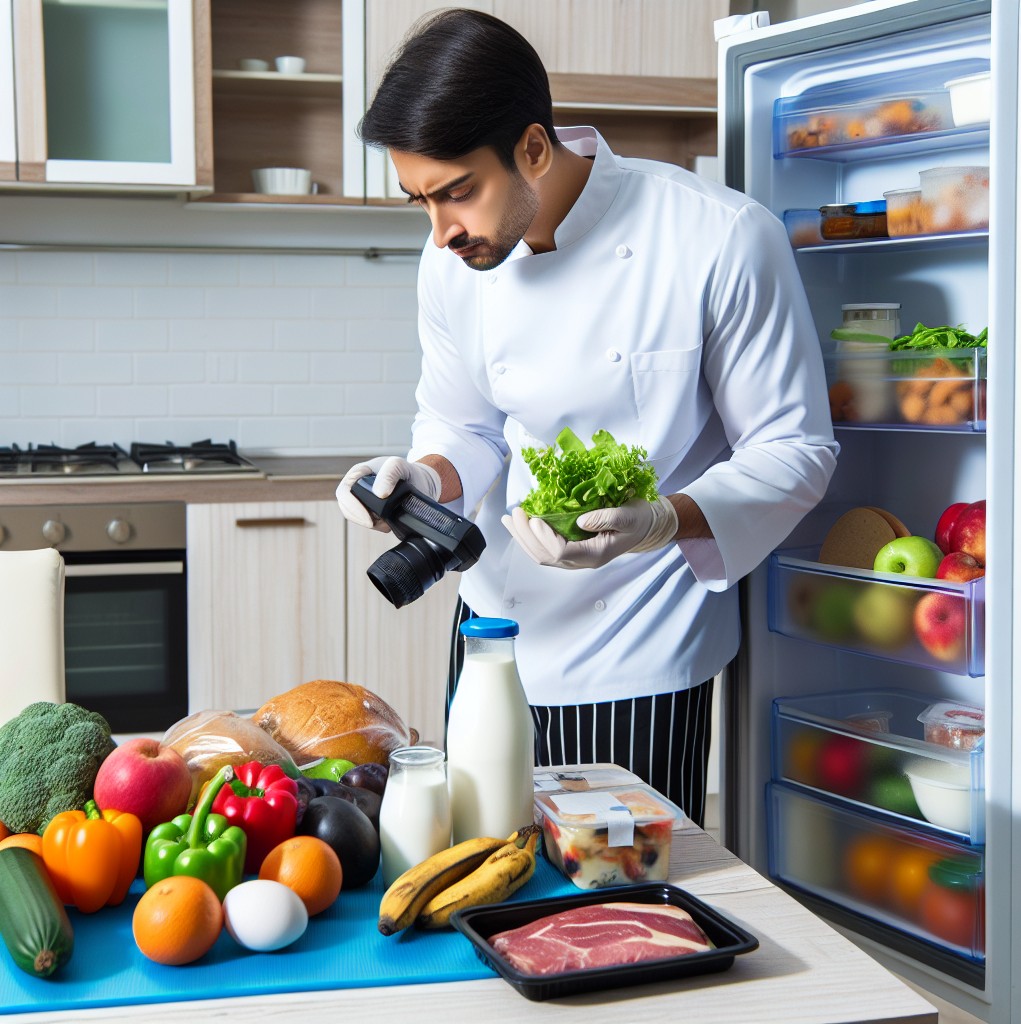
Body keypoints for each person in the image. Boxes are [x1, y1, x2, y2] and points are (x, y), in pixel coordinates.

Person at [336, 9, 837, 828]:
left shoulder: (720, 238)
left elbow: (795, 449)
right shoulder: (451, 261)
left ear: (534, 147)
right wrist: (423, 477)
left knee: (624, 904)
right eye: (419, 200)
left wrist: (658, 519)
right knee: (486, 872)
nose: (441, 231)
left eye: (458, 192)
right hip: (495, 629)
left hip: (642, 637)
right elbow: (468, 425)